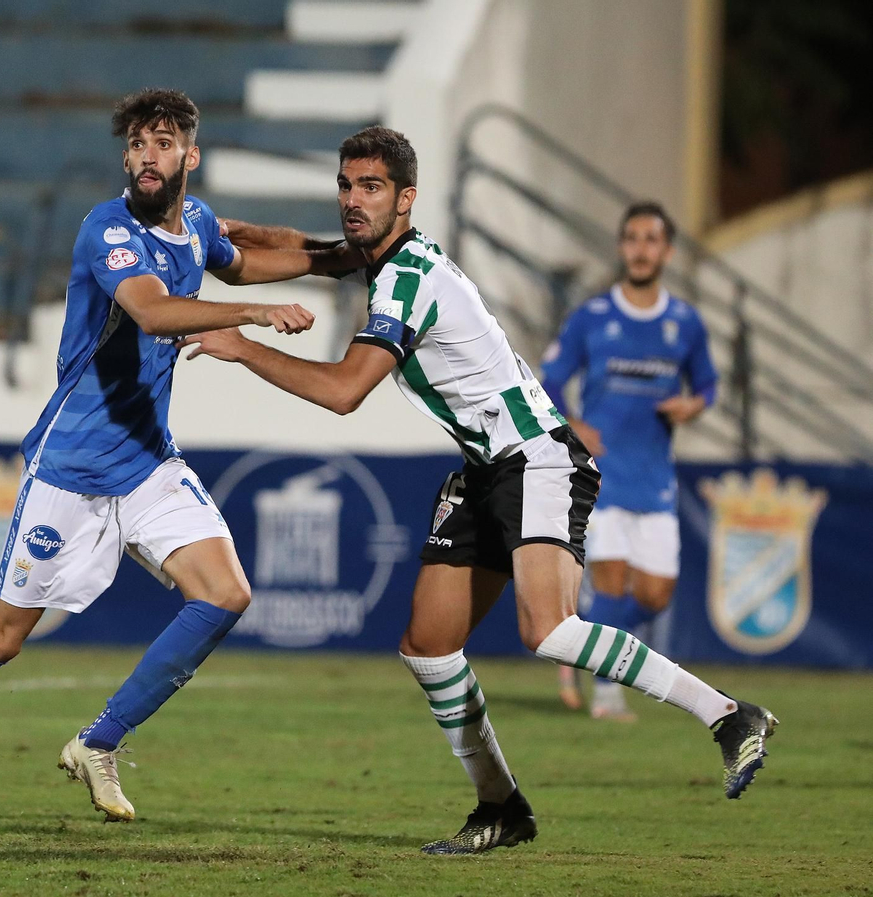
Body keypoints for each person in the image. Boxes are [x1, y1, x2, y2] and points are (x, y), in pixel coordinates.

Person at [185, 127, 777, 855]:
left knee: (548, 629)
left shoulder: (406, 280)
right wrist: (215, 230)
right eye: (345, 185)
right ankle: (501, 807)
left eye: (370, 187)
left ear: (406, 198)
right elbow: (295, 253)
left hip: (537, 458)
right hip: (485, 468)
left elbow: (344, 392)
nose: (352, 200)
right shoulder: (379, 255)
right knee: (429, 646)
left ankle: (728, 714)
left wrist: (242, 345)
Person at [0, 88, 348, 839]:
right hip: (71, 470)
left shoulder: (195, 223)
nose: (147, 156)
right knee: (0, 638)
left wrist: (340, 258)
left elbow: (244, 256)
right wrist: (252, 315)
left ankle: (99, 741)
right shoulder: (107, 229)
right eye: (137, 144)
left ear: (190, 155)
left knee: (225, 593)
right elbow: (153, 309)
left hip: (147, 462)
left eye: (163, 143)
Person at [540, 202, 717, 720]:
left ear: (667, 252)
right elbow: (550, 381)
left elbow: (708, 384)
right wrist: (574, 424)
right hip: (604, 476)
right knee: (613, 582)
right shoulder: (592, 317)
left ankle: (580, 641)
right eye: (633, 238)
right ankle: (608, 695)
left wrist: (693, 405)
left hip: (655, 477)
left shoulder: (685, 323)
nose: (641, 249)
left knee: (656, 595)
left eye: (651, 240)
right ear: (621, 247)